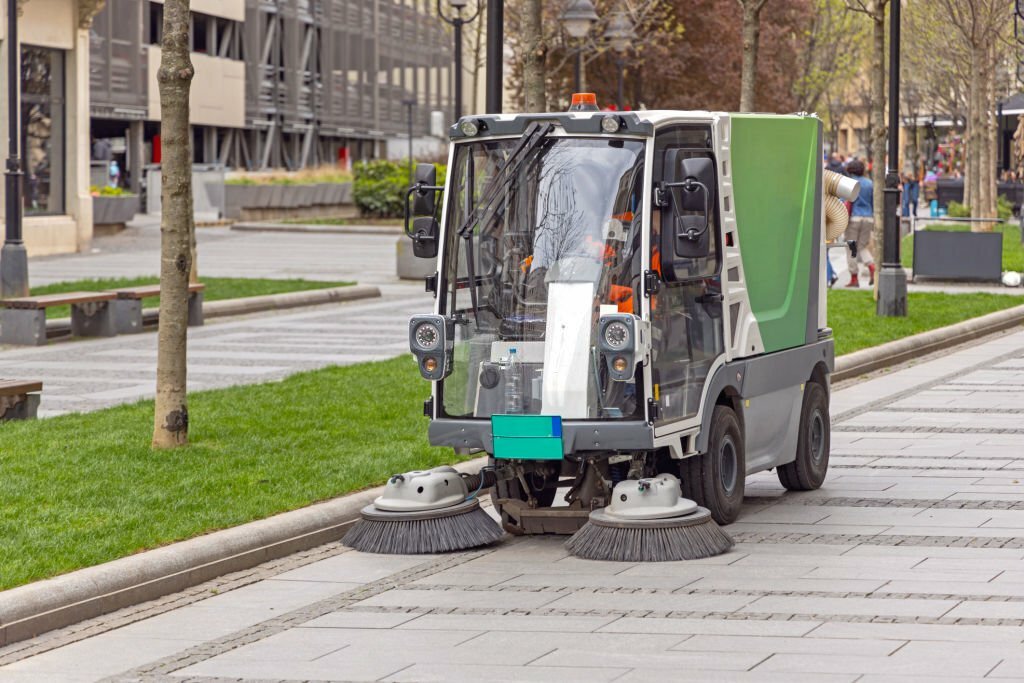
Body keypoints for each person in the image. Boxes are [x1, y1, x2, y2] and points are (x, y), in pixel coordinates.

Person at [845, 158, 875, 288]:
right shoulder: (870, 183)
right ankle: (871, 265)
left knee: (851, 247)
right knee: (862, 246)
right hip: (868, 218)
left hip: (854, 218)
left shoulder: (850, 183)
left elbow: (846, 202)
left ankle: (854, 278)